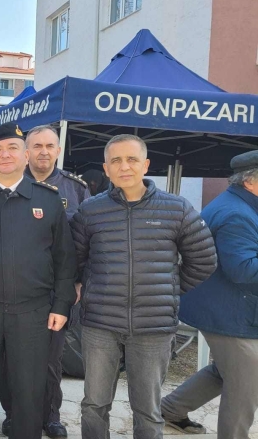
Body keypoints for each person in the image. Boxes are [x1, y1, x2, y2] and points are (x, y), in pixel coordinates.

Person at [70, 134, 216, 439]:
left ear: (146, 164)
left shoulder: (177, 209)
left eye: (132, 159)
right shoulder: (90, 211)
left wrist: (169, 289)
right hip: (100, 324)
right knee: (94, 405)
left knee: (147, 411)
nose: (125, 166)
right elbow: (75, 261)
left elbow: (203, 260)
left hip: (154, 328)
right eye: (116, 161)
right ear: (106, 168)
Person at [0, 122, 77, 439]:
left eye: (12, 148)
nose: (5, 154)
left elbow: (65, 259)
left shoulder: (49, 200)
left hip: (33, 313)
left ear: (26, 156)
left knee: (29, 392)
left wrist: (62, 305)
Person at [0, 124, 91, 438]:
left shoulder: (75, 189)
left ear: (58, 150)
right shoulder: (7, 184)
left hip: (57, 290)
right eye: (36, 146)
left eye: (49, 146)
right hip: (15, 288)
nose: (43, 152)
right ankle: (14, 413)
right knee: (10, 356)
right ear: (26, 151)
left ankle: (50, 415)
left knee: (51, 359)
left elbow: (85, 241)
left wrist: (77, 284)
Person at [160, 150, 258, 438]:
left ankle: (170, 410)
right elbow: (243, 269)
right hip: (228, 312)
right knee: (246, 384)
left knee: (228, 372)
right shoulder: (236, 214)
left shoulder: (240, 204)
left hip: (228, 308)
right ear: (252, 181)